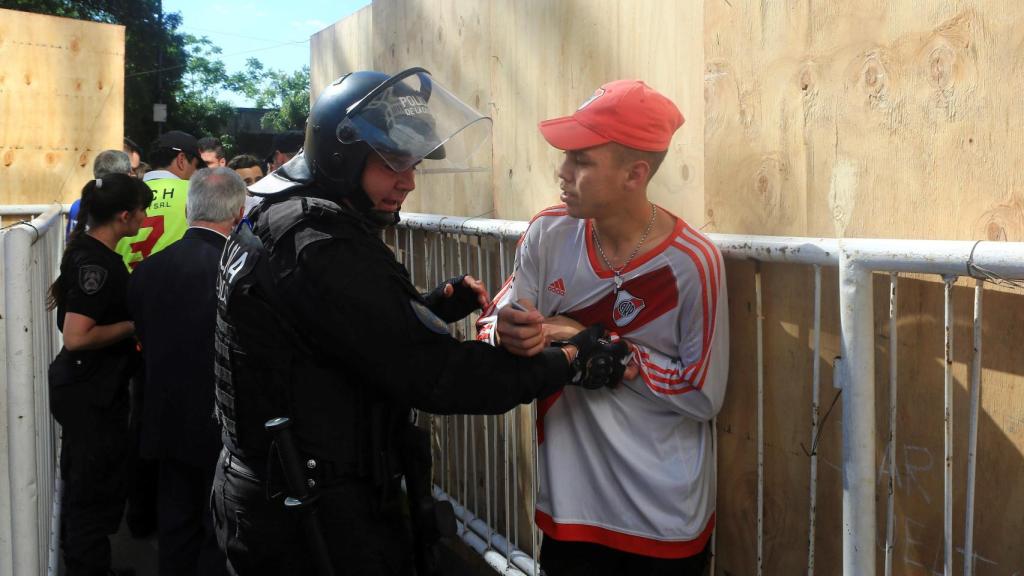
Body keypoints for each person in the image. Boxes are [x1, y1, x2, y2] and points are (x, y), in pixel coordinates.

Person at [211, 68, 629, 576]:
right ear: (343, 157)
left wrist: (427, 308)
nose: (408, 182)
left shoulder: (274, 211)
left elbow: (331, 334)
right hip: (311, 515)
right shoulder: (322, 245)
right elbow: (441, 376)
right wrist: (569, 360)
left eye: (413, 164)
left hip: (275, 491)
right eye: (392, 164)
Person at [479, 79, 729, 575]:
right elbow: (494, 322)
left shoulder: (693, 262)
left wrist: (598, 346)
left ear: (635, 174)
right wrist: (508, 331)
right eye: (566, 157)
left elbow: (703, 394)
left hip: (663, 518)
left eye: (582, 160)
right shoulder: (547, 233)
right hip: (570, 510)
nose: (563, 171)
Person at [128, 168, 245, 576]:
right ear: (239, 213)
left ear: (189, 206)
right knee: (219, 532)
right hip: (224, 423)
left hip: (165, 417)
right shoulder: (241, 273)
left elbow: (142, 336)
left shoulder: (148, 271)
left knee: (175, 527)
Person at [46, 174, 153, 576]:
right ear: (124, 216)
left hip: (88, 390)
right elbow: (76, 336)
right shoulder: (98, 264)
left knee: (84, 481)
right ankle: (89, 566)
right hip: (90, 392)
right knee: (93, 489)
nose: (145, 218)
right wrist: (132, 326)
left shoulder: (91, 251)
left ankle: (85, 560)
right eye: (140, 211)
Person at [116, 130, 201, 269]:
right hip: (173, 285)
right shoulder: (195, 192)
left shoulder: (122, 193)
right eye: (196, 166)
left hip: (126, 285)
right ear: (181, 160)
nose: (196, 172)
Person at [66, 150, 133, 241]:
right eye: (131, 172)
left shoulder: (78, 205)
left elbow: (70, 244)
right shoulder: (127, 208)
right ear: (126, 176)